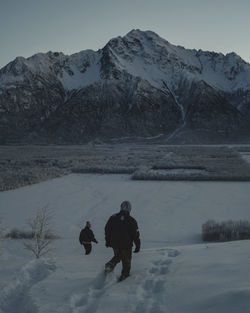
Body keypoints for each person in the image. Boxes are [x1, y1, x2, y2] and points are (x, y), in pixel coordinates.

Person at [104, 201, 141, 281]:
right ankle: (124, 276)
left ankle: (110, 264)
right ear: (129, 209)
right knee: (126, 261)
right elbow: (135, 234)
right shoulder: (131, 220)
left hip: (115, 244)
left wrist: (107, 241)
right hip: (126, 245)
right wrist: (137, 245)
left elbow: (107, 230)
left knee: (118, 256)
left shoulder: (113, 217)